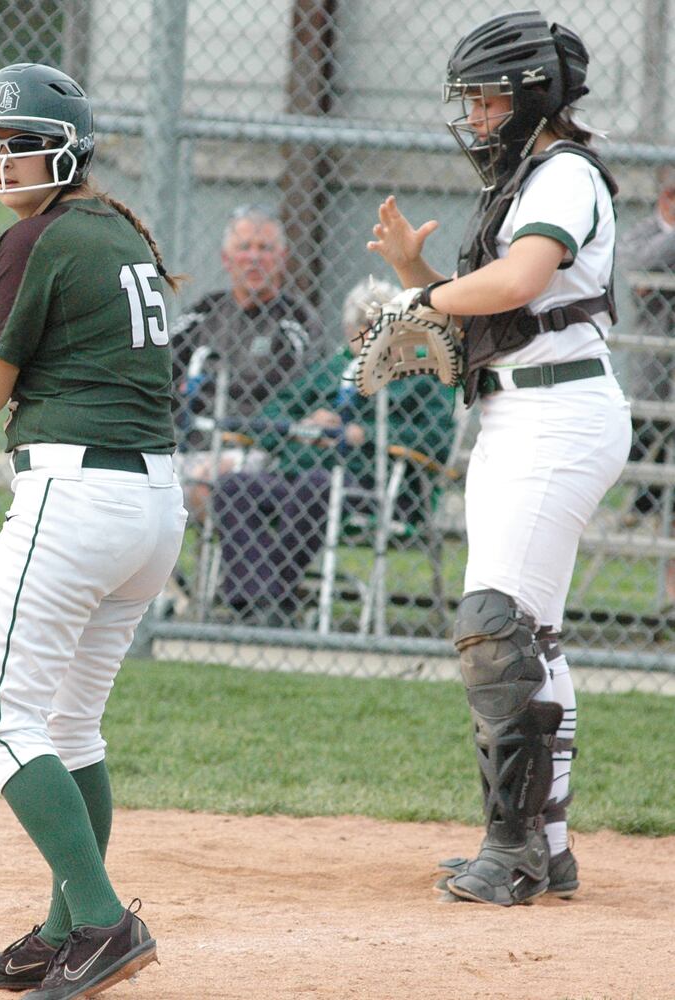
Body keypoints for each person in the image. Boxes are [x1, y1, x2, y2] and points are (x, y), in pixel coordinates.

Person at [0, 63, 185, 997]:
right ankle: (65, 931)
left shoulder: (37, 237)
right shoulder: (100, 231)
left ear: (62, 149)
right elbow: (18, 334)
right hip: (150, 509)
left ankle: (103, 922)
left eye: (13, 143)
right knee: (69, 723)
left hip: (75, 504)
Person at [366, 10, 631, 906]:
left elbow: (519, 284)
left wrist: (427, 294)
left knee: (490, 625)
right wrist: (417, 278)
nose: (475, 119)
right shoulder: (526, 182)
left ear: (530, 99)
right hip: (523, 414)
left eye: (484, 101)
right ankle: (545, 851)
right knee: (528, 636)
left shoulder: (562, 175)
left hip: (558, 413)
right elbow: (499, 313)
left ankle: (510, 850)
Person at [208, 278, 455, 627]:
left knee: (318, 486)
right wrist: (307, 426)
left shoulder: (421, 374)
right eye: (361, 328)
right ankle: (253, 605)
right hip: (297, 475)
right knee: (233, 488)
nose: (369, 337)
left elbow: (436, 440)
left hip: (376, 488)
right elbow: (271, 415)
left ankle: (267, 598)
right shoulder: (331, 371)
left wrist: (363, 434)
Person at [171, 205, 322, 519]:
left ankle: (210, 568)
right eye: (244, 248)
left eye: (264, 249)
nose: (254, 258)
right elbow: (163, 365)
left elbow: (295, 394)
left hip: (256, 447)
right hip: (187, 442)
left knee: (202, 485)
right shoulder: (204, 311)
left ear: (281, 259)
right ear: (227, 260)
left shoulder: (296, 320)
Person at [617, 165, 675, 528]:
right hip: (654, 353)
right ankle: (642, 509)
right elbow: (638, 266)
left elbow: (653, 275)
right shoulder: (643, 233)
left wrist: (659, 279)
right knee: (648, 430)